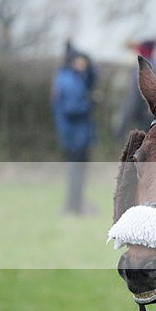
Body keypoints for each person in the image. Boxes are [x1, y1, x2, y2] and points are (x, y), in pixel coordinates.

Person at [51, 41, 98, 216]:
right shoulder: (70, 80)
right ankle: (73, 207)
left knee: (77, 173)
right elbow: (71, 108)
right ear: (73, 61)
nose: (84, 63)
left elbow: (93, 76)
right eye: (81, 60)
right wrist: (90, 103)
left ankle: (75, 206)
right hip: (75, 135)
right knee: (76, 173)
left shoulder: (68, 77)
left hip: (75, 135)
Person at [113, 39, 156, 140]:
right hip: (155, 119)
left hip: (141, 118)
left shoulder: (139, 69)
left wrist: (120, 128)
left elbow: (131, 101)